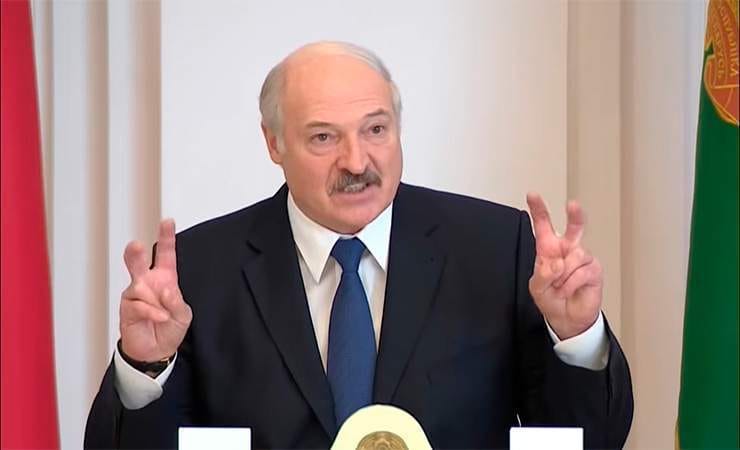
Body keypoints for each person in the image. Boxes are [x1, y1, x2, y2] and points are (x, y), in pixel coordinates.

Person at [85, 41, 633, 450]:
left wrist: (577, 337)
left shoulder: (496, 247)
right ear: (274, 143)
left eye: (376, 130)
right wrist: (145, 367)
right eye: (324, 137)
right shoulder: (201, 269)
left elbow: (591, 439)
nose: (356, 161)